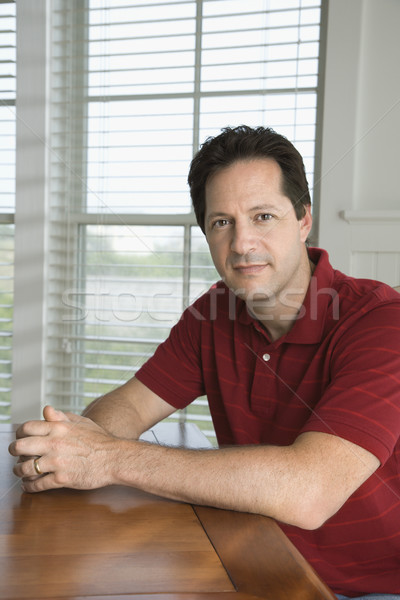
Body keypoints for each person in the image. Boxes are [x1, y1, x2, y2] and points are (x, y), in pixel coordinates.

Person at [9, 126, 400, 600]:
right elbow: (130, 407)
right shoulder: (213, 313)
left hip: (368, 588)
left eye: (263, 216)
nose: (242, 243)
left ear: (303, 220)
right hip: (251, 557)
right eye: (222, 222)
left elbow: (308, 492)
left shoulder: (380, 321)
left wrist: (107, 458)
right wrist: (71, 449)